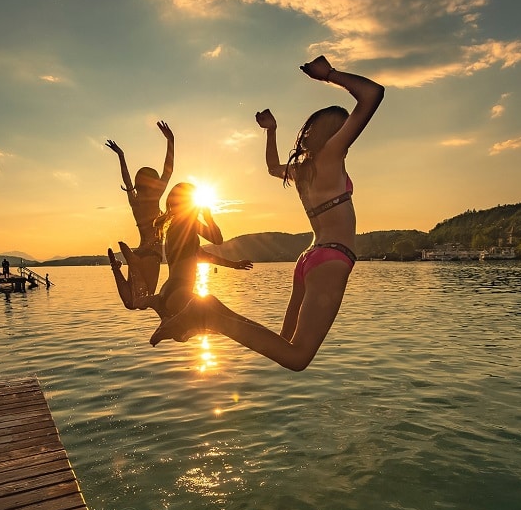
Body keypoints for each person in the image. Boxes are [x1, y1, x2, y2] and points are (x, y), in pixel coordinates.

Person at [151, 56, 385, 371]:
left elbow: (273, 167)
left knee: (282, 344)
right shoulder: (333, 154)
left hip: (309, 258)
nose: (350, 132)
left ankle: (210, 310)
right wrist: (329, 74)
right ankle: (205, 314)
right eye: (345, 126)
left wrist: (271, 131)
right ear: (335, 134)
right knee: (297, 357)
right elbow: (372, 94)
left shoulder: (304, 170)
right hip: (332, 257)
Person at [146, 182, 252, 320]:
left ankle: (169, 326)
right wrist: (209, 218)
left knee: (225, 320)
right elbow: (217, 239)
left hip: (169, 291)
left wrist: (234, 265)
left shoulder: (176, 227)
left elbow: (203, 255)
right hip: (180, 291)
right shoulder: (187, 222)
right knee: (235, 322)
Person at [105, 120, 174, 310]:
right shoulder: (154, 198)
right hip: (152, 255)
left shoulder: (135, 202)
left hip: (140, 251)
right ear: (153, 182)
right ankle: (130, 263)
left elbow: (126, 181)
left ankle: (118, 266)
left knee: (131, 303)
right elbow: (168, 171)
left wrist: (121, 156)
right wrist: (171, 142)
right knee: (142, 303)